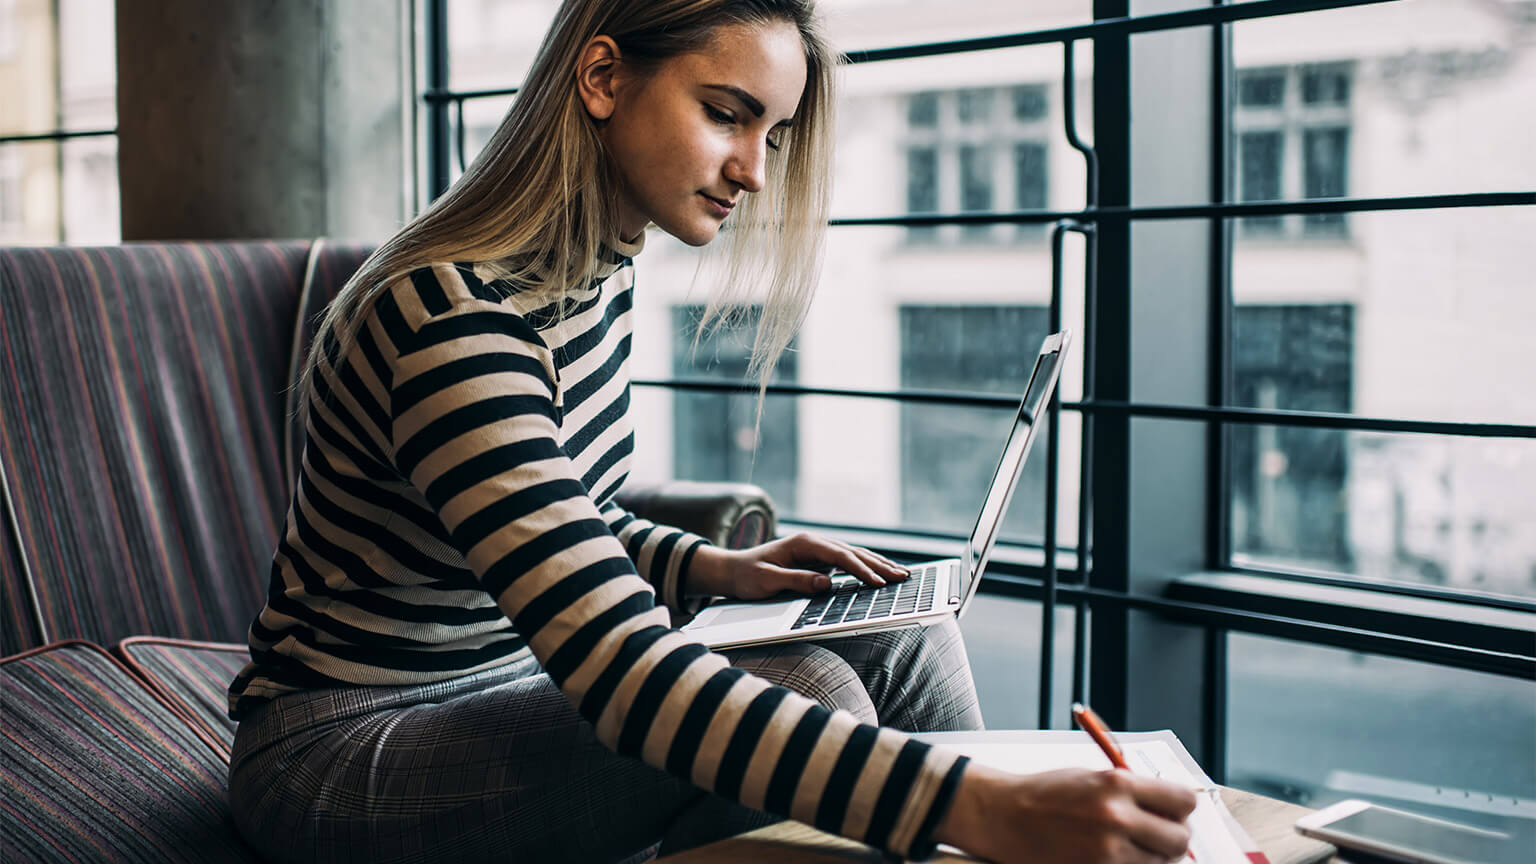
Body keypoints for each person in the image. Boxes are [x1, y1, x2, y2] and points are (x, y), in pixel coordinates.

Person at [226, 1, 1198, 862]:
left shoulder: (594, 273)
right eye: (727, 115)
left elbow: (559, 512)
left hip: (500, 681)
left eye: (771, 132)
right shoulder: (455, 320)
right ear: (602, 78)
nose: (756, 173)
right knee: (815, 687)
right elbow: (624, 677)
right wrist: (982, 804)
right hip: (346, 749)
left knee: (902, 629)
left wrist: (711, 567)